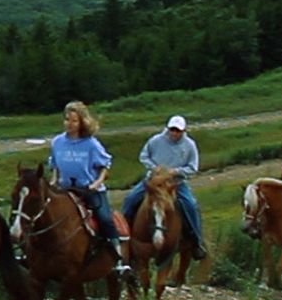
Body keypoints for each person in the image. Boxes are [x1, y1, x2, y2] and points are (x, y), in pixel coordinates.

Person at [48, 100, 126, 272]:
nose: (69, 124)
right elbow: (55, 165)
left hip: (88, 189)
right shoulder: (57, 142)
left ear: (82, 122)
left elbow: (105, 166)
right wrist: (54, 181)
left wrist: (96, 183)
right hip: (65, 189)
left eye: (74, 120)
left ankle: (117, 255)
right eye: (67, 119)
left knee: (105, 218)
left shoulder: (90, 143)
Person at [120, 115, 209, 261]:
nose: (174, 133)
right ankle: (124, 236)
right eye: (172, 130)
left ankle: (196, 241)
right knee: (130, 198)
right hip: (154, 181)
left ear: (183, 131)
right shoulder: (155, 141)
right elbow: (143, 156)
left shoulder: (189, 145)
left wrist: (176, 171)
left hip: (175, 184)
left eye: (178, 131)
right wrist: (154, 168)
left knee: (191, 205)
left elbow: (193, 167)